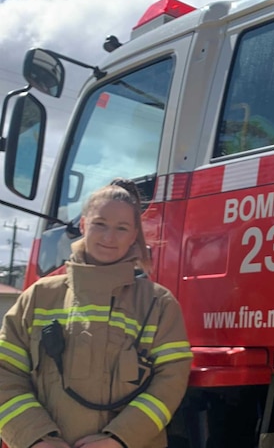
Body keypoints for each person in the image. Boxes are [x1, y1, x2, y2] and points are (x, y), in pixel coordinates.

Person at [0, 179, 192, 448]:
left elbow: (169, 385)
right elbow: (5, 375)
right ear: (83, 225)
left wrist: (118, 440)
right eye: (100, 224)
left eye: (121, 228)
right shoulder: (38, 297)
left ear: (134, 234)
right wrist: (36, 440)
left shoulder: (159, 305)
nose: (109, 237)